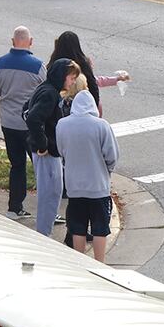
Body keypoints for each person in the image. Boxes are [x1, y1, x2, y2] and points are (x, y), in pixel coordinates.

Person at [0, 26, 42, 220]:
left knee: (16, 165)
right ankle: (45, 208)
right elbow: (45, 92)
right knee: (41, 166)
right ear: (30, 42)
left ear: (12, 41)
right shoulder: (37, 65)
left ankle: (14, 207)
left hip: (8, 122)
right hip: (29, 124)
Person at [56, 88, 117, 262]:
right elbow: (112, 155)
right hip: (98, 186)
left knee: (78, 227)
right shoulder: (101, 125)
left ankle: (80, 263)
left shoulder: (63, 124)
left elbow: (61, 151)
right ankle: (100, 263)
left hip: (74, 186)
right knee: (100, 227)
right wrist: (107, 170)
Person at [24, 57, 73, 234]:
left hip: (49, 152)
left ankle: (45, 231)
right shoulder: (50, 93)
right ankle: (44, 235)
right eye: (71, 77)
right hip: (48, 154)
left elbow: (26, 110)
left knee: (53, 192)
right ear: (62, 76)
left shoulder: (46, 89)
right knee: (50, 194)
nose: (72, 81)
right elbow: (33, 118)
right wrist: (43, 144)